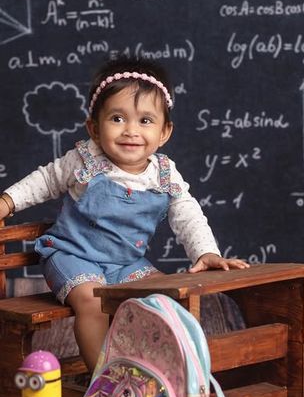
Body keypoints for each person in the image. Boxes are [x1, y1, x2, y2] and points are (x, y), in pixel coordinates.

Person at [0, 57, 249, 371]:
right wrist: (7, 202)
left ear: (164, 132)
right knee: (92, 302)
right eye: (117, 118)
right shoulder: (85, 161)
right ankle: (107, 381)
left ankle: (154, 372)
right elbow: (45, 180)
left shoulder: (164, 174)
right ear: (94, 127)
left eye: (145, 120)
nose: (131, 131)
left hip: (126, 263)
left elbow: (188, 213)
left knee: (166, 298)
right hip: (72, 256)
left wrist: (206, 251)